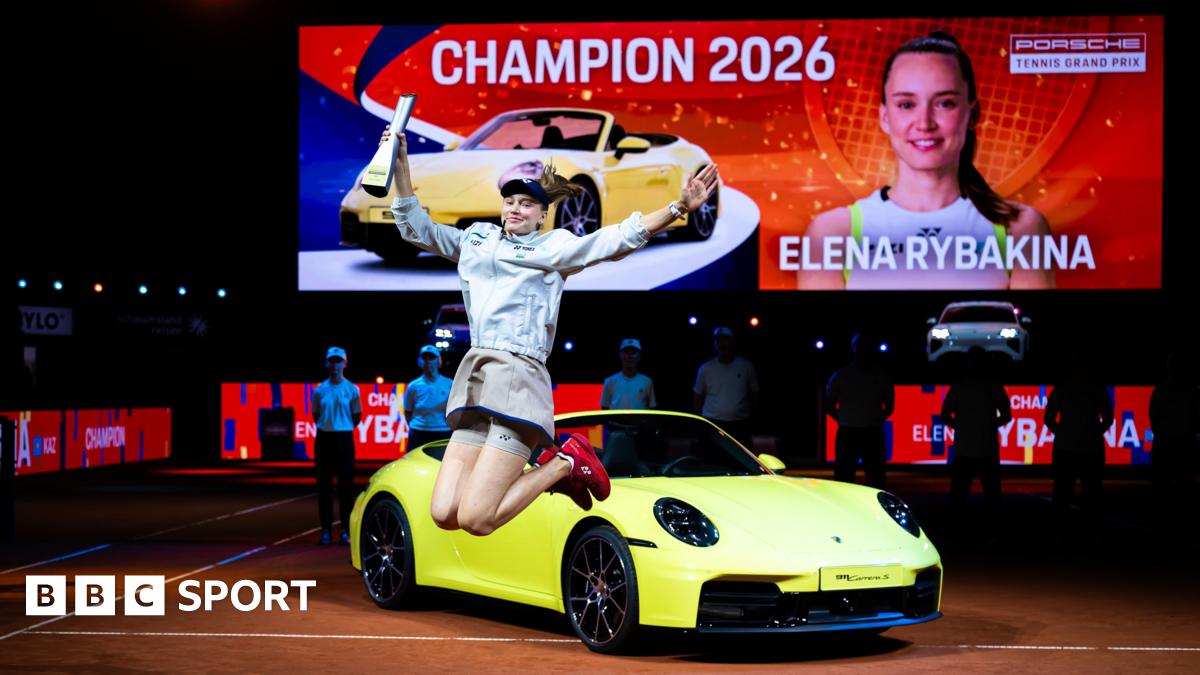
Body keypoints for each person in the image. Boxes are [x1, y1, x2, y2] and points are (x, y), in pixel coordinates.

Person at [382, 123, 719, 534]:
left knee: (476, 519)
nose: (515, 208)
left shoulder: (553, 248)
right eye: (510, 201)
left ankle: (564, 462)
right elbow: (416, 227)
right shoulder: (476, 240)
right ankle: (557, 467)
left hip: (519, 379)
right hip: (476, 377)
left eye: (526, 204)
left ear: (543, 214)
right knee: (444, 513)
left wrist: (678, 208)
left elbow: (615, 240)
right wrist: (399, 163)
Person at [800, 31, 1054, 290]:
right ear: (885, 117)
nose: (924, 123)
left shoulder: (1020, 228)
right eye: (907, 105)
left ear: (973, 114)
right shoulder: (831, 233)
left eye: (945, 103)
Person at [940, 348, 1012, 541]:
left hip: (975, 450)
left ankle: (960, 535)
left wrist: (964, 426)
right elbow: (1006, 415)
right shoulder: (985, 386)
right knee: (973, 498)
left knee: (972, 498)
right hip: (978, 449)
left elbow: (945, 415)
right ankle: (985, 534)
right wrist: (985, 426)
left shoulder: (964, 386)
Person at [1044, 353, 1114, 535]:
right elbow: (1108, 418)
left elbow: (1049, 418)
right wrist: (1091, 433)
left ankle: (1068, 535)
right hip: (1082, 449)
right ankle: (1080, 535)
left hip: (1077, 450)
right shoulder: (1094, 389)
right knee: (1072, 495)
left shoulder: (1067, 389)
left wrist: (1064, 433)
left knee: (1076, 495)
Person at [825, 334, 895, 489]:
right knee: (870, 477)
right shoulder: (881, 375)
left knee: (850, 477)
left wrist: (845, 419)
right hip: (863, 431)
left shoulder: (842, 375)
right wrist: (873, 419)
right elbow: (889, 406)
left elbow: (829, 405)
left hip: (857, 431)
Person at [311, 346, 362, 545]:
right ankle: (325, 531)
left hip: (344, 440)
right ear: (326, 364)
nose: (335, 365)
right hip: (324, 440)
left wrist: (342, 426)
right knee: (324, 489)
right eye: (331, 361)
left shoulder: (352, 389)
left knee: (345, 489)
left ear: (345, 363)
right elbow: (316, 415)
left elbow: (357, 416)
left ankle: (344, 531)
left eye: (338, 360)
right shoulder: (319, 390)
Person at [693, 327, 759, 452]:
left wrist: (747, 415)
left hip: (739, 424)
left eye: (725, 340)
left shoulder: (746, 366)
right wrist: (703, 421)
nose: (721, 344)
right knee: (711, 459)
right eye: (718, 340)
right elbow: (697, 396)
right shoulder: (706, 368)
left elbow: (754, 394)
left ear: (733, 342)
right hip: (712, 423)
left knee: (742, 461)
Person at [1150, 352, 1200, 505]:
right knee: (1181, 487)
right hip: (1180, 444)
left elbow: (1153, 417)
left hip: (1169, 444)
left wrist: (1160, 436)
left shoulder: (1161, 391)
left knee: (1167, 488)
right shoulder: (1192, 392)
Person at [403, 345, 454, 449]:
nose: (428, 361)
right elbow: (408, 412)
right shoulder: (413, 386)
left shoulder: (450, 384)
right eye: (424, 358)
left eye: (432, 357)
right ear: (419, 362)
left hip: (442, 433)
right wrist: (419, 426)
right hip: (418, 433)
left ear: (439, 361)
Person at [600, 338, 656, 410]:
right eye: (626, 352)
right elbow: (604, 407)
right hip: (616, 421)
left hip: (639, 421)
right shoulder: (609, 381)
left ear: (639, 356)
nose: (629, 356)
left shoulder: (647, 381)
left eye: (633, 352)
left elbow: (652, 407)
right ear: (620, 355)